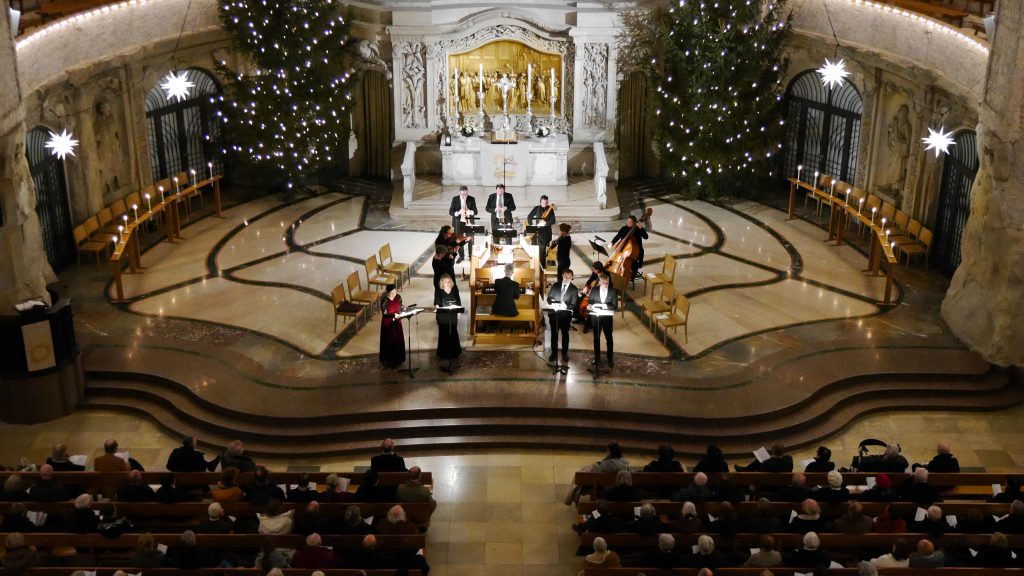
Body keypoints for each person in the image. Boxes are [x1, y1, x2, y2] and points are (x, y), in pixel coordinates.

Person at [546, 268, 578, 363]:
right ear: (562, 276)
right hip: (554, 314)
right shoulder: (556, 285)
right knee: (554, 335)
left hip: (565, 315)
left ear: (571, 278)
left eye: (568, 278)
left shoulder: (574, 289)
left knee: (565, 335)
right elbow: (549, 298)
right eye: (564, 277)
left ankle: (564, 353)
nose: (566, 279)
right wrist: (552, 302)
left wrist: (565, 305)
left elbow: (573, 306)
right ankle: (553, 353)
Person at [588, 273, 618, 368]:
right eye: (604, 283)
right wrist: (589, 306)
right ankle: (597, 358)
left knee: (609, 338)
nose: (606, 285)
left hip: (607, 318)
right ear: (599, 282)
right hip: (596, 318)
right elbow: (591, 302)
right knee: (596, 338)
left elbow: (615, 306)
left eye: (607, 283)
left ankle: (610, 358)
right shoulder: (594, 290)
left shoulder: (613, 291)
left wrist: (604, 306)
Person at [434, 273, 462, 365]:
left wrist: (458, 313)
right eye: (446, 282)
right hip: (443, 314)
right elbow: (437, 302)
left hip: (453, 313)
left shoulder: (455, 288)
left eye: (449, 281)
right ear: (442, 282)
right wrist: (437, 307)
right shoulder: (439, 289)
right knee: (444, 332)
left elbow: (458, 301)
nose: (448, 283)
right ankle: (444, 353)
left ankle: (454, 352)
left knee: (453, 331)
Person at [609, 214, 649, 278]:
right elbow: (617, 236)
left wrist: (641, 228)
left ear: (634, 223)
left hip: (636, 251)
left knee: (634, 264)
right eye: (627, 221)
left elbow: (646, 237)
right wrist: (612, 242)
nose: (628, 223)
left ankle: (633, 274)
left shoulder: (638, 229)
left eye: (630, 222)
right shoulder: (624, 228)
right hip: (625, 251)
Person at [447, 185, 477, 262]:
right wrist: (457, 212)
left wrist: (470, 211)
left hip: (469, 222)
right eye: (462, 194)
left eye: (465, 194)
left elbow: (475, 211)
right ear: (459, 193)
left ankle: (471, 256)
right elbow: (451, 211)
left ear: (467, 193)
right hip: (458, 222)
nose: (464, 196)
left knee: (470, 239)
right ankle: (461, 256)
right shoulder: (455, 199)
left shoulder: (471, 199)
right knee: (459, 240)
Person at [379, 284, 405, 368]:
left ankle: (399, 358)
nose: (394, 294)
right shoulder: (384, 300)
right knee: (391, 340)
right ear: (388, 293)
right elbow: (385, 314)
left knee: (398, 339)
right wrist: (394, 315)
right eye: (392, 293)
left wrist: (403, 310)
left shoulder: (398, 297)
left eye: (395, 292)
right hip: (388, 323)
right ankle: (390, 360)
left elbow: (400, 307)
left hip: (397, 322)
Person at [578, 261, 606, 333]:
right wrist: (586, 287)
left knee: (591, 306)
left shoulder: (605, 275)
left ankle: (588, 325)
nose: (592, 270)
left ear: (599, 269)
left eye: (594, 269)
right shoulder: (594, 273)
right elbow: (590, 280)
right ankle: (580, 319)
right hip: (591, 292)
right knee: (579, 298)